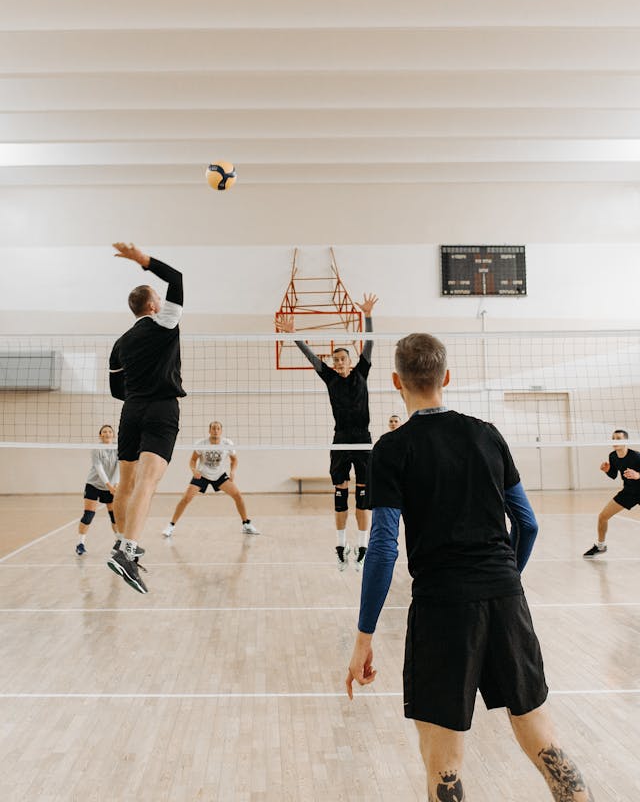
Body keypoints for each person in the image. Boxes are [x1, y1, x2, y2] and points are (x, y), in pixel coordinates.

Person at [346, 333, 593, 802]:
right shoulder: (487, 434)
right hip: (505, 597)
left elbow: (381, 548)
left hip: (443, 609)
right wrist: (505, 582)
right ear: (447, 378)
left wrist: (364, 638)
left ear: (396, 381)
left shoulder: (392, 448)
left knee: (444, 767)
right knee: (546, 743)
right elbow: (528, 524)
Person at [277, 294, 378, 571]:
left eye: (342, 359)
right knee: (339, 493)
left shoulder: (362, 372)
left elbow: (369, 343)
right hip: (341, 439)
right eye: (335, 360)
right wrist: (293, 333)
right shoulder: (329, 377)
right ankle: (340, 545)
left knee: (363, 495)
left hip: (363, 440)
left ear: (350, 360)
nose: (338, 363)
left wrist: (367, 315)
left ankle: (362, 547)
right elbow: (309, 355)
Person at [107, 242, 186, 593]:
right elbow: (177, 277)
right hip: (161, 408)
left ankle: (121, 545)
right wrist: (144, 261)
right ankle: (126, 553)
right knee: (147, 484)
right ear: (153, 306)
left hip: (131, 410)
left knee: (127, 484)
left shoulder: (120, 343)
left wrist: (137, 396)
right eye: (158, 297)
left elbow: (115, 389)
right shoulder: (163, 322)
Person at [162, 420, 259, 537]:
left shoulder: (227, 443)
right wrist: (194, 470)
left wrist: (232, 471)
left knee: (238, 496)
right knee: (186, 499)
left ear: (221, 431)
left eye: (218, 428)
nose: (215, 431)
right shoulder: (202, 444)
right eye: (213, 428)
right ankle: (171, 525)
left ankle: (246, 524)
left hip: (219, 475)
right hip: (202, 474)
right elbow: (193, 460)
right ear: (209, 430)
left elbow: (234, 460)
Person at [583, 429, 640, 563]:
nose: (615, 441)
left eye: (618, 438)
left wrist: (639, 475)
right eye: (613, 438)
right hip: (628, 492)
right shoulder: (613, 456)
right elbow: (614, 475)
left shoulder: (637, 456)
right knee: (602, 517)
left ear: (626, 441)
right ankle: (601, 546)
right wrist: (607, 470)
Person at [75, 424, 119, 555]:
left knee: (114, 516)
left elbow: (119, 467)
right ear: (100, 435)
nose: (107, 433)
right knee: (88, 514)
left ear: (113, 435)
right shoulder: (96, 449)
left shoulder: (119, 448)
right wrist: (109, 486)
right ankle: (80, 543)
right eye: (104, 432)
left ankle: (118, 542)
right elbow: (99, 468)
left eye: (109, 432)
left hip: (111, 486)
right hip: (94, 484)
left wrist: (114, 484)